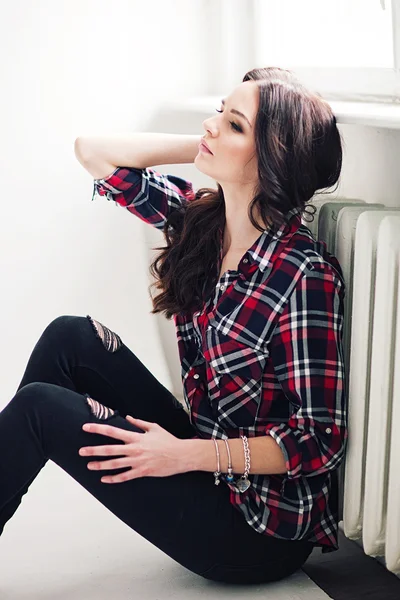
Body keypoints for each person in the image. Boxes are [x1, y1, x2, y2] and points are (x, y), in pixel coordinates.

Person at [0, 66, 347, 585]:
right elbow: (92, 150)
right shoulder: (201, 222)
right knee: (69, 336)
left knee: (38, 409)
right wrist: (215, 145)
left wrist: (179, 455)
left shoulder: (304, 275)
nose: (210, 125)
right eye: (218, 112)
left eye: (233, 125)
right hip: (207, 461)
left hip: (258, 531)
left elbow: (319, 440)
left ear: (273, 159)